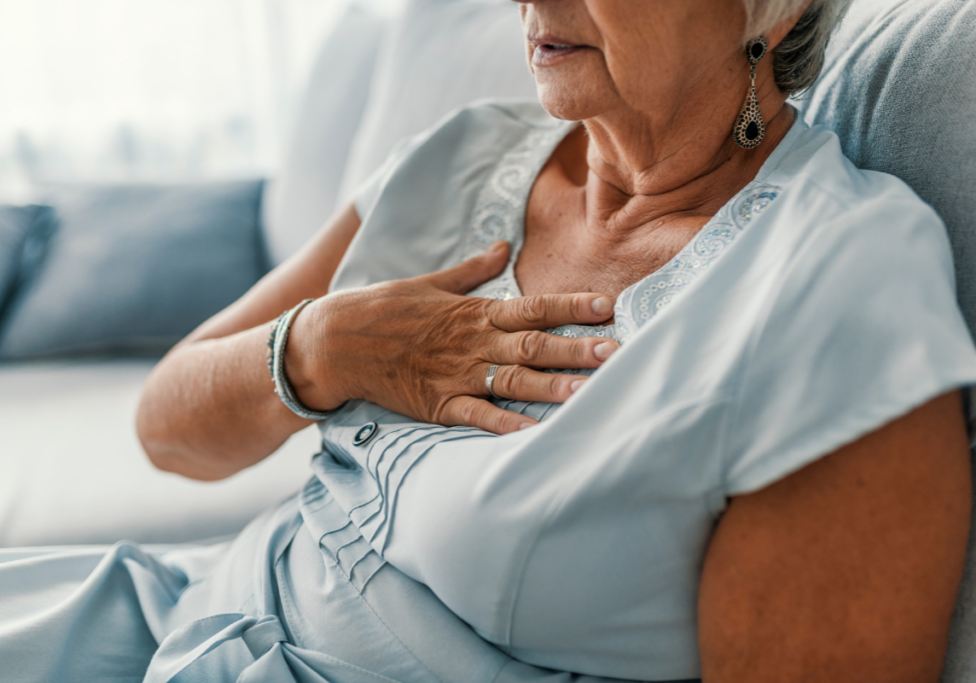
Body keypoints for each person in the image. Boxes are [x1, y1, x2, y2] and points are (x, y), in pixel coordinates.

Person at [2, 0, 975, 681]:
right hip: (181, 608)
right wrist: (323, 345)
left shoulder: (834, 283)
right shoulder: (462, 153)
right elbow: (168, 428)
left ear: (773, 9)